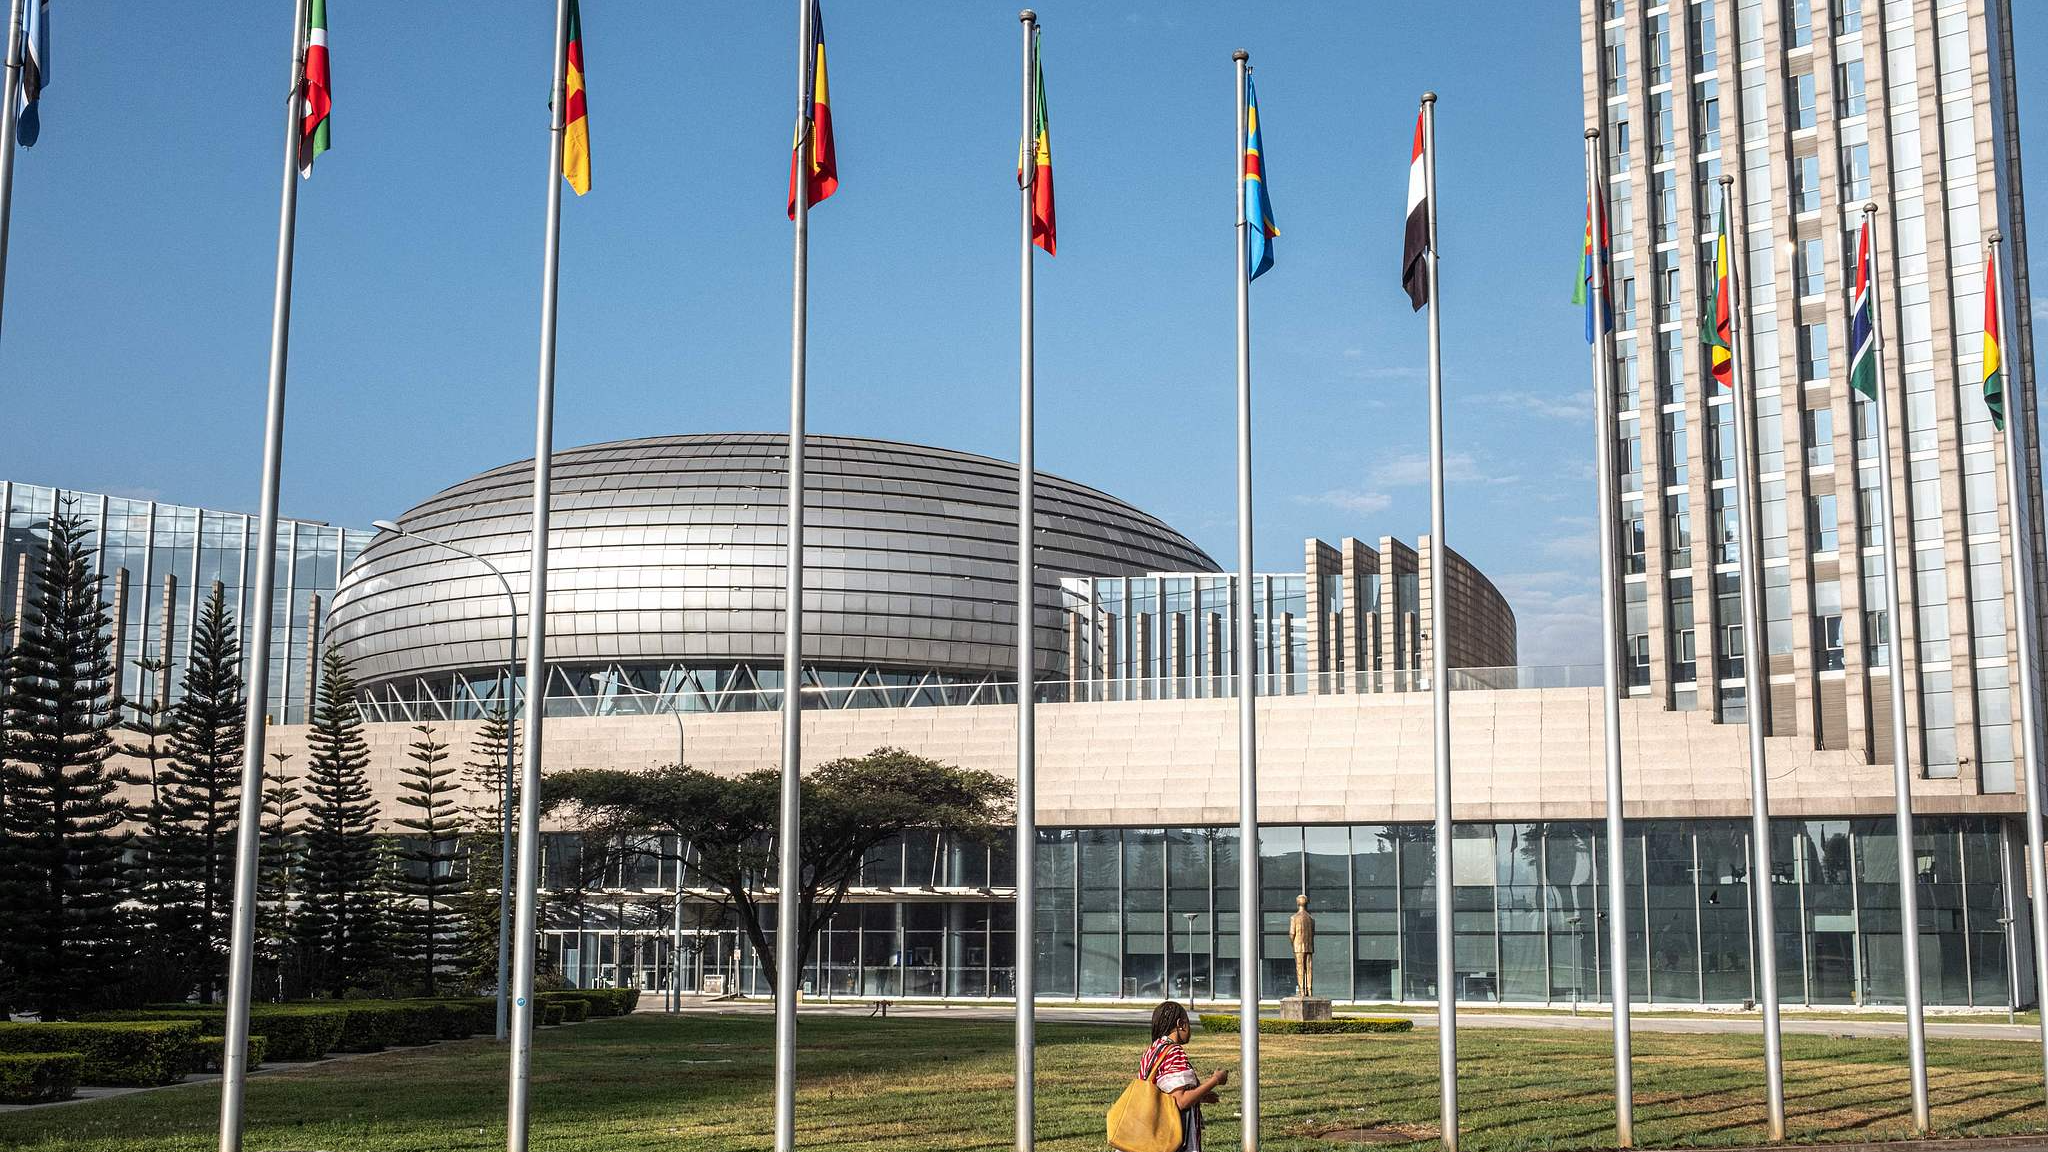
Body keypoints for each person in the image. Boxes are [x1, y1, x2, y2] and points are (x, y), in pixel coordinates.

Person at [1137, 1000, 1228, 1152]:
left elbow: (1165, 1094)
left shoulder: (1153, 1050)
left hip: (1150, 1131)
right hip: (1173, 1139)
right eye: (1188, 1022)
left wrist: (1200, 1096)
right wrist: (1215, 1080)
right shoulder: (1174, 1052)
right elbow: (1180, 1101)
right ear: (1180, 1024)